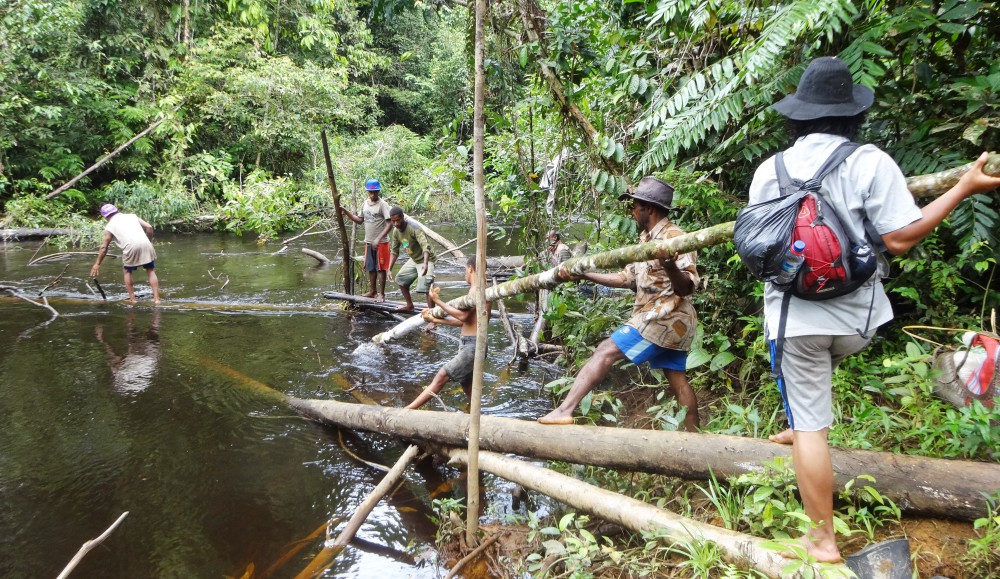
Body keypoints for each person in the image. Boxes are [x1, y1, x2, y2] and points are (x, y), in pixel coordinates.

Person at [748, 56, 1000, 563]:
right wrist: (964, 185)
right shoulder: (869, 160)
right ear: (851, 114)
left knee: (811, 424)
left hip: (794, 320)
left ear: (798, 115)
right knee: (812, 386)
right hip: (859, 321)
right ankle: (801, 418)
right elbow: (900, 238)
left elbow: (757, 248)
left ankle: (821, 539)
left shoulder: (767, 171)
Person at [538, 176, 701, 431]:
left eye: (635, 206)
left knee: (606, 350)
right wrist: (584, 274)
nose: (633, 212)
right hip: (668, 321)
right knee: (676, 377)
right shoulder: (645, 241)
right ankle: (695, 436)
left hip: (664, 317)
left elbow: (687, 286)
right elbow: (626, 279)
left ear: (648, 207)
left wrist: (668, 264)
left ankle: (564, 410)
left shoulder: (676, 238)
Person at [405, 256, 490, 409]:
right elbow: (464, 321)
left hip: (473, 346)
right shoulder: (480, 288)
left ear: (470, 268)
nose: (466, 274)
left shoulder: (479, 289)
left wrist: (437, 301)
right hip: (469, 344)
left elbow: (463, 316)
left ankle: (407, 411)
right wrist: (435, 320)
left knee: (441, 376)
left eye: (465, 270)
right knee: (466, 383)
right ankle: (476, 412)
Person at [91, 203, 161, 304]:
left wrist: (97, 264)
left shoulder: (109, 226)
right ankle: (157, 300)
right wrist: (149, 242)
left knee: (127, 271)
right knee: (150, 270)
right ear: (117, 210)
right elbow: (149, 227)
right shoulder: (132, 216)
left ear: (105, 217)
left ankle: (133, 300)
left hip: (130, 247)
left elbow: (104, 247)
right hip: (146, 244)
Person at [339, 178, 392, 301]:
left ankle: (382, 294)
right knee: (371, 267)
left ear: (379, 191)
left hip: (381, 243)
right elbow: (359, 220)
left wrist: (378, 239)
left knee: (381, 268)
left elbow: (389, 224)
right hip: (369, 241)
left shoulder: (383, 205)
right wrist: (346, 212)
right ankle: (373, 291)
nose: (373, 195)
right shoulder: (365, 204)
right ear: (367, 192)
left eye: (375, 192)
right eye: (370, 192)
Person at [387, 206, 435, 312]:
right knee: (400, 279)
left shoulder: (413, 227)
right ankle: (409, 305)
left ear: (403, 217)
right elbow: (394, 251)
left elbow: (425, 246)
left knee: (426, 284)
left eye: (398, 220)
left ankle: (433, 317)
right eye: (393, 221)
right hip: (414, 259)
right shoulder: (396, 232)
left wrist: (426, 264)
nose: (396, 224)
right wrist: (389, 269)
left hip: (426, 258)